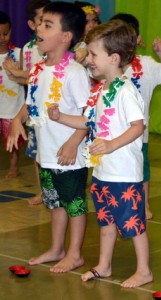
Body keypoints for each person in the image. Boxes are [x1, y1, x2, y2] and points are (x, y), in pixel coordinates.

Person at [47, 19, 153, 288]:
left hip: (125, 173)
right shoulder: (99, 92)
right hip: (103, 172)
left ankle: (144, 270)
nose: (88, 59)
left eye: (94, 54)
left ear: (114, 58)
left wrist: (111, 144)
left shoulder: (126, 92)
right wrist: (61, 118)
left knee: (133, 223)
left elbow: (137, 126)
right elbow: (88, 122)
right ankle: (104, 265)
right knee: (106, 222)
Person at [6, 1, 90, 273]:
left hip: (69, 156)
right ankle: (56, 248)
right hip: (46, 152)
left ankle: (75, 253)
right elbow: (31, 103)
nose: (39, 28)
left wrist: (73, 142)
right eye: (40, 23)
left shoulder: (75, 73)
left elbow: (89, 116)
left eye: (48, 25)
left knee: (74, 204)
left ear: (66, 37)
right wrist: (18, 121)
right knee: (54, 201)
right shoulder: (39, 70)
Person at [111, 13, 161, 220]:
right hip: (112, 131)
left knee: (141, 169)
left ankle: (143, 204)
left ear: (137, 39)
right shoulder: (108, 64)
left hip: (139, 133)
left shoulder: (146, 63)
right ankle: (116, 202)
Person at [3, 0, 50, 205]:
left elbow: (43, 75)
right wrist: (17, 77)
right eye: (43, 21)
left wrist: (19, 73)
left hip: (52, 110)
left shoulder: (52, 47)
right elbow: (29, 80)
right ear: (32, 25)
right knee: (37, 154)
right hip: (33, 109)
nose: (45, 26)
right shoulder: (30, 48)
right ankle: (43, 192)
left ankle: (55, 191)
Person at [0, 11, 25, 179]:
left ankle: (14, 166)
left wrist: (16, 72)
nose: (2, 38)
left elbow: (25, 77)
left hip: (12, 106)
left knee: (12, 140)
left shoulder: (18, 53)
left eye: (5, 33)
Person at [74, 1, 101, 65]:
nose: (91, 25)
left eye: (95, 20)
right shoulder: (67, 48)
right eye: (86, 22)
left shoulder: (103, 44)